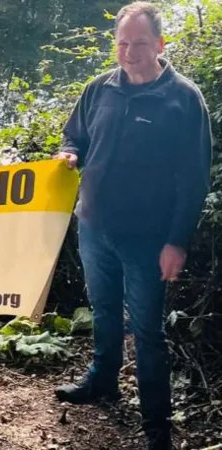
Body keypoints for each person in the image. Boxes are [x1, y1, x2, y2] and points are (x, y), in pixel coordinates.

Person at [53, 2, 213, 448]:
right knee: (104, 310)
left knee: (147, 331)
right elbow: (74, 135)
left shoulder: (183, 99)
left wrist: (176, 241)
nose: (129, 53)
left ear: (160, 44)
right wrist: (70, 154)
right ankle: (102, 380)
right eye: (122, 43)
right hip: (93, 227)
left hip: (148, 239)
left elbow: (195, 179)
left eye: (139, 43)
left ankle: (157, 424)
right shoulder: (98, 89)